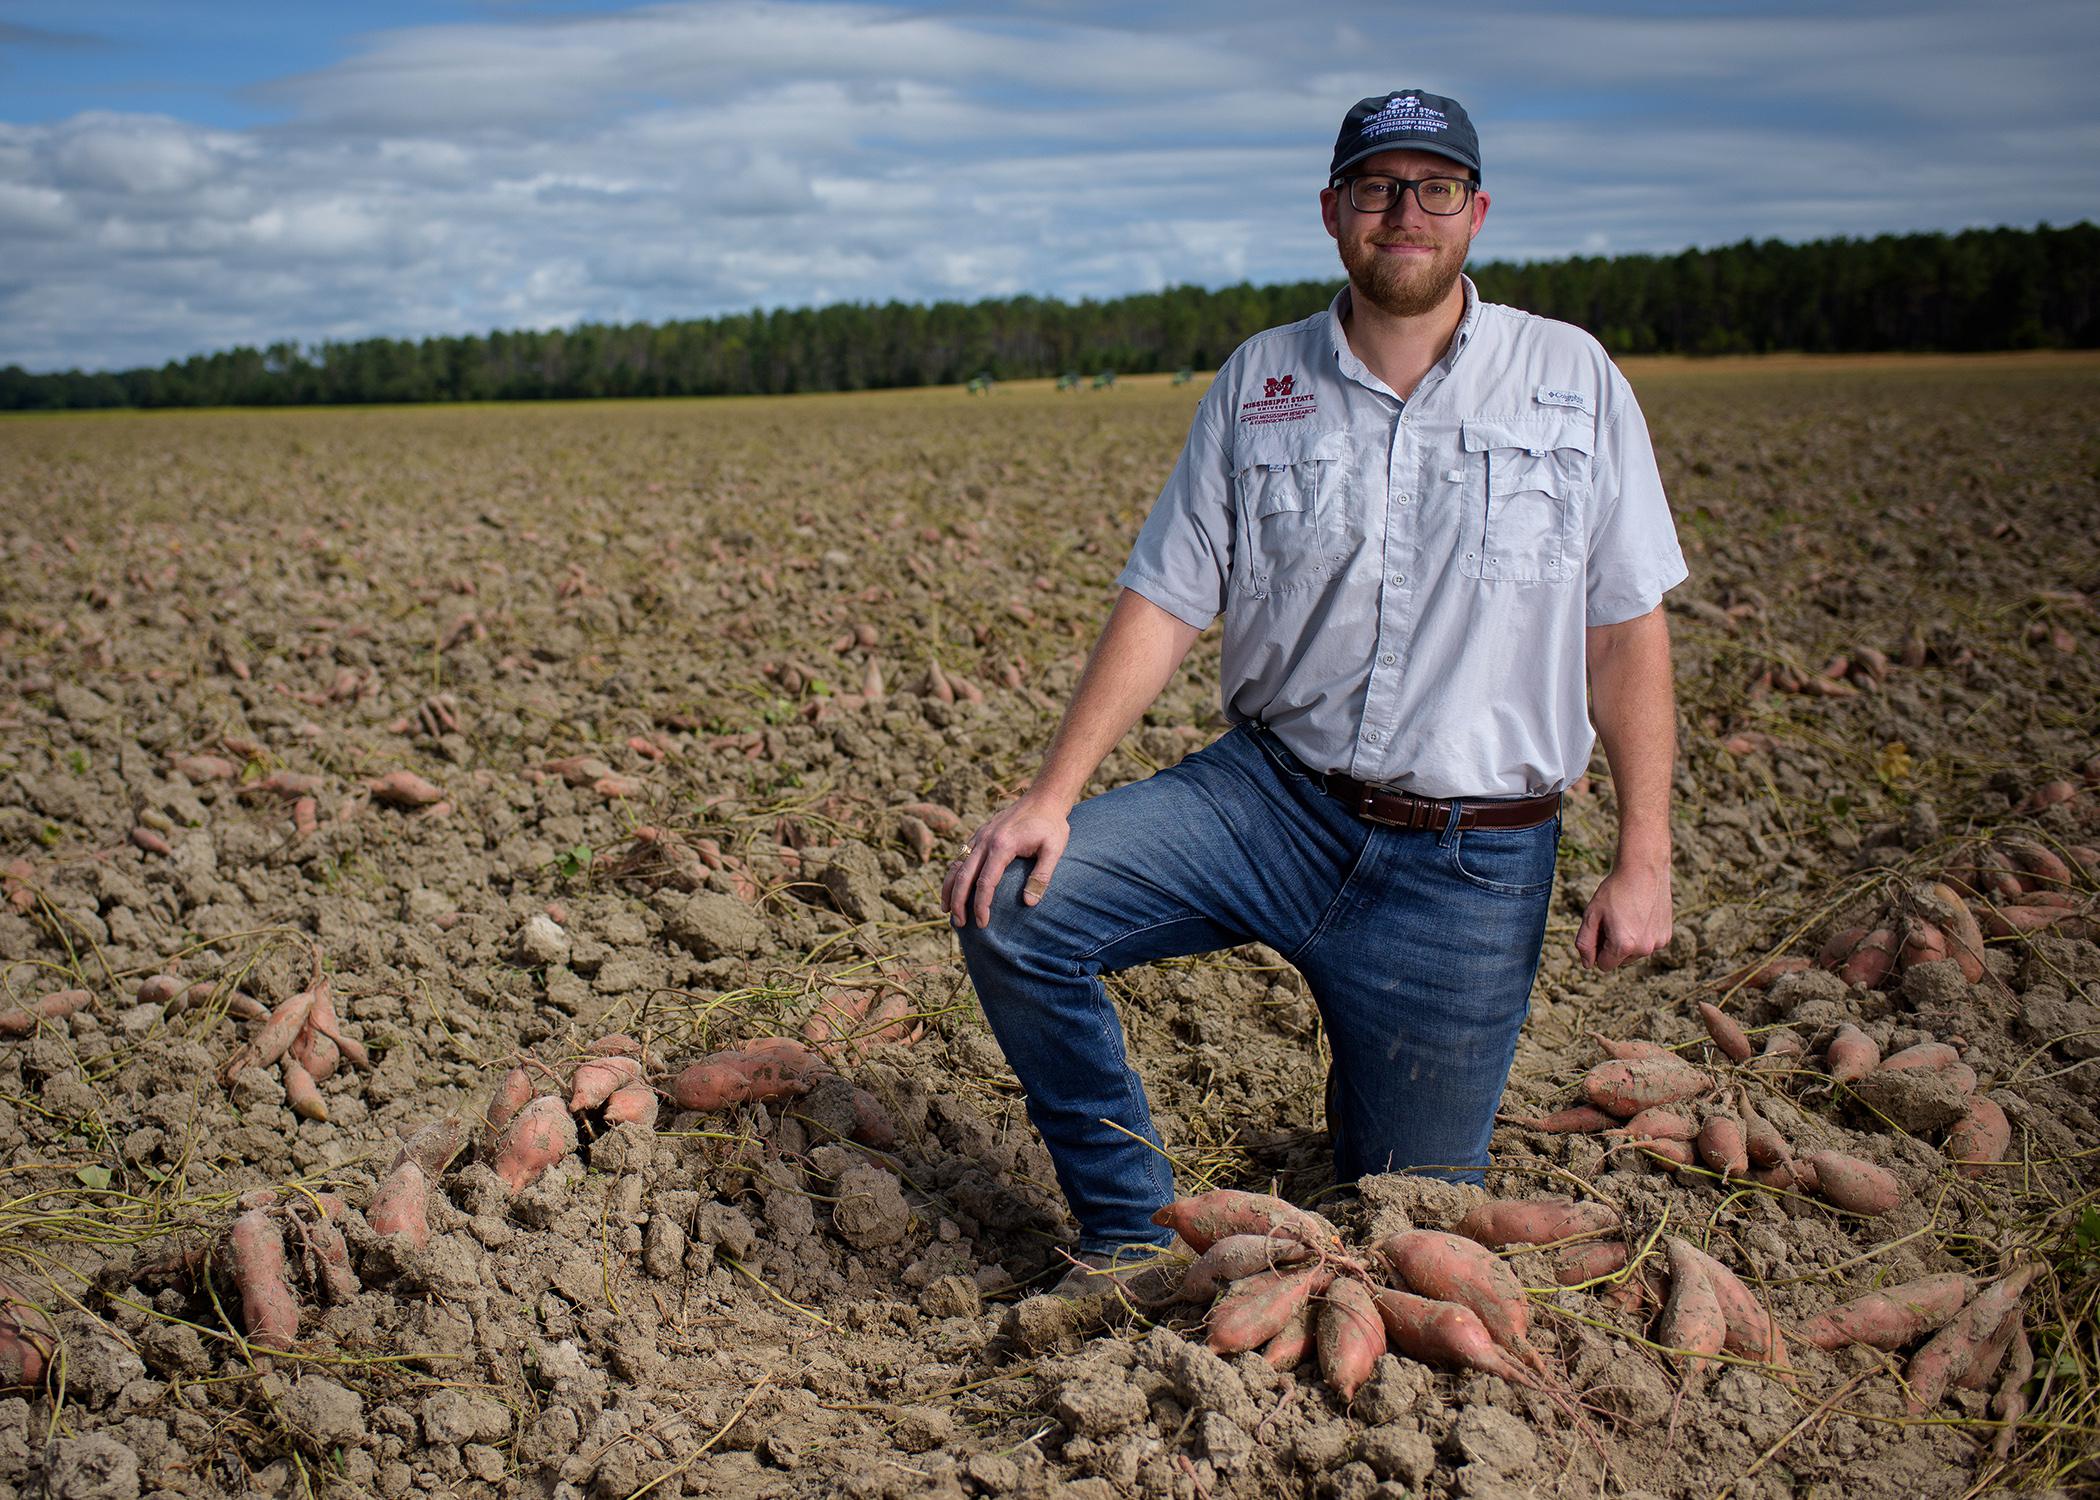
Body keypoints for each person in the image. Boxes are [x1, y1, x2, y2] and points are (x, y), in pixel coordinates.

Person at [941, 90, 1687, 1280]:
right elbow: (1169, 598)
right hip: (1271, 804)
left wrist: (1641, 854)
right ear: (1333, 209)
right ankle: (1132, 1231)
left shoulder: (1570, 379)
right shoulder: (1261, 382)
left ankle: (1373, 1102)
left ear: (1476, 213)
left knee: (1410, 1224)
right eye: (1377, 188)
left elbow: (1624, 627)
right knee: (1019, 908)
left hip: (1468, 865)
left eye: (1434, 188)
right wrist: (1051, 795)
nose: (1406, 212)